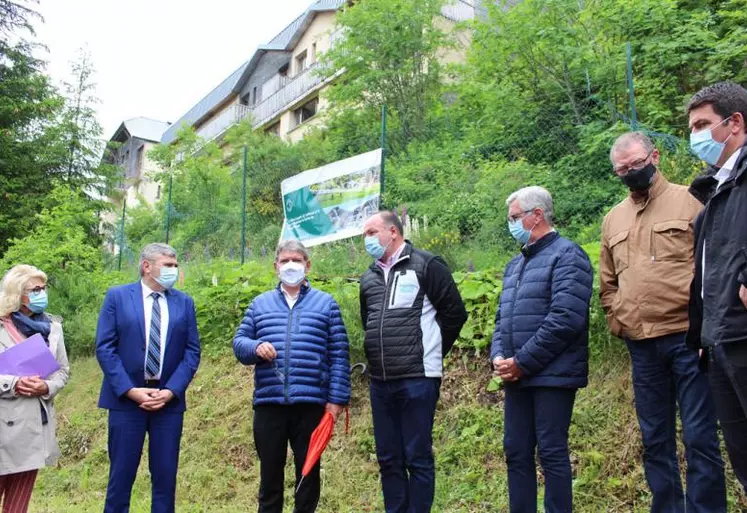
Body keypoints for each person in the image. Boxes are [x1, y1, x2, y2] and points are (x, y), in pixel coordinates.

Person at [600, 131, 726, 512]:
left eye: (637, 163)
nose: (630, 172)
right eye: (622, 169)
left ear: (654, 156)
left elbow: (714, 264)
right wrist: (618, 317)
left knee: (700, 437)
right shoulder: (613, 219)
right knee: (654, 439)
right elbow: (607, 283)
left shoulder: (693, 200)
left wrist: (707, 324)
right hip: (641, 345)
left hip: (689, 340)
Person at [491, 187, 592, 513]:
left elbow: (566, 319)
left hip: (552, 375)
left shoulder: (568, 256)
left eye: (515, 217)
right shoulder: (515, 264)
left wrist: (523, 362)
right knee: (516, 451)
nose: (511, 224)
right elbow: (501, 318)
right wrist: (499, 357)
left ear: (537, 215)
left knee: (551, 452)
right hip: (516, 376)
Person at [360, 211, 467, 513]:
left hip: (418, 378)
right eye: (364, 234)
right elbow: (368, 321)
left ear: (393, 231)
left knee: (417, 455)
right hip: (380, 382)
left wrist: (431, 352)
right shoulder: (368, 277)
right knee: (388, 457)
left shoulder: (427, 264)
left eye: (371, 232)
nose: (366, 239)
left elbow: (455, 314)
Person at [233, 240, 350, 513]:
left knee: (308, 476)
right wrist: (254, 347)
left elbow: (339, 354)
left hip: (311, 405)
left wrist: (336, 400)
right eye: (284, 261)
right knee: (270, 476)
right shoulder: (260, 304)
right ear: (275, 267)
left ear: (307, 265)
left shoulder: (326, 304)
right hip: (269, 404)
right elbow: (239, 343)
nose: (290, 265)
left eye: (296, 260)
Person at [95, 243, 201, 513]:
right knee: (121, 477)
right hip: (126, 402)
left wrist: (172, 390)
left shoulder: (184, 302)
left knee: (165, 477)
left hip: (168, 404)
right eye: (168, 265)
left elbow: (192, 351)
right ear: (146, 266)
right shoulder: (117, 297)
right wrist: (130, 390)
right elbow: (105, 348)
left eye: (175, 265)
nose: (174, 271)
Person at [685, 81, 747, 493]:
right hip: (721, 339)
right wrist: (704, 332)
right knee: (742, 457)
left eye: (704, 124)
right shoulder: (715, 188)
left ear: (735, 122)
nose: (696, 136)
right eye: (691, 128)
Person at [0, 265, 70, 513]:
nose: (42, 293)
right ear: (17, 293)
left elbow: (63, 370)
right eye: (35, 289)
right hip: (3, 422)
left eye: (44, 288)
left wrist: (46, 386)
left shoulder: (53, 327)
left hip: (33, 426)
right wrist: (13, 383)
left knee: (18, 505)